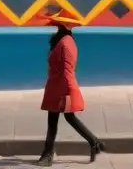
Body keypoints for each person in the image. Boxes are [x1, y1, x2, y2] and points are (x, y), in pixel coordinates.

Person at [36, 12, 105, 166]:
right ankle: (94, 143)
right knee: (61, 119)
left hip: (62, 86)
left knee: (62, 118)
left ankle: (48, 155)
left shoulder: (66, 42)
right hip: (56, 85)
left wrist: (69, 90)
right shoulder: (61, 39)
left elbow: (67, 69)